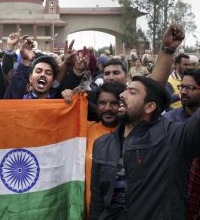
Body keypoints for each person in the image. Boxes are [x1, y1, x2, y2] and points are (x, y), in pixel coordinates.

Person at [89, 26, 198, 219]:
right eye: (125, 90)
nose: (121, 95)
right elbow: (98, 202)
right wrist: (167, 50)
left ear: (149, 108)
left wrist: (166, 52)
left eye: (131, 92)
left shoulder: (173, 138)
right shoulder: (102, 145)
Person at [62, 81, 125, 216]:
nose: (107, 108)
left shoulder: (130, 136)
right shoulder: (84, 130)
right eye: (102, 103)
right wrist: (67, 98)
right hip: (81, 214)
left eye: (114, 103)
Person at [163, 69, 200, 219]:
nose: (183, 92)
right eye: (181, 87)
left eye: (189, 88)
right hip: (175, 191)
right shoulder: (169, 119)